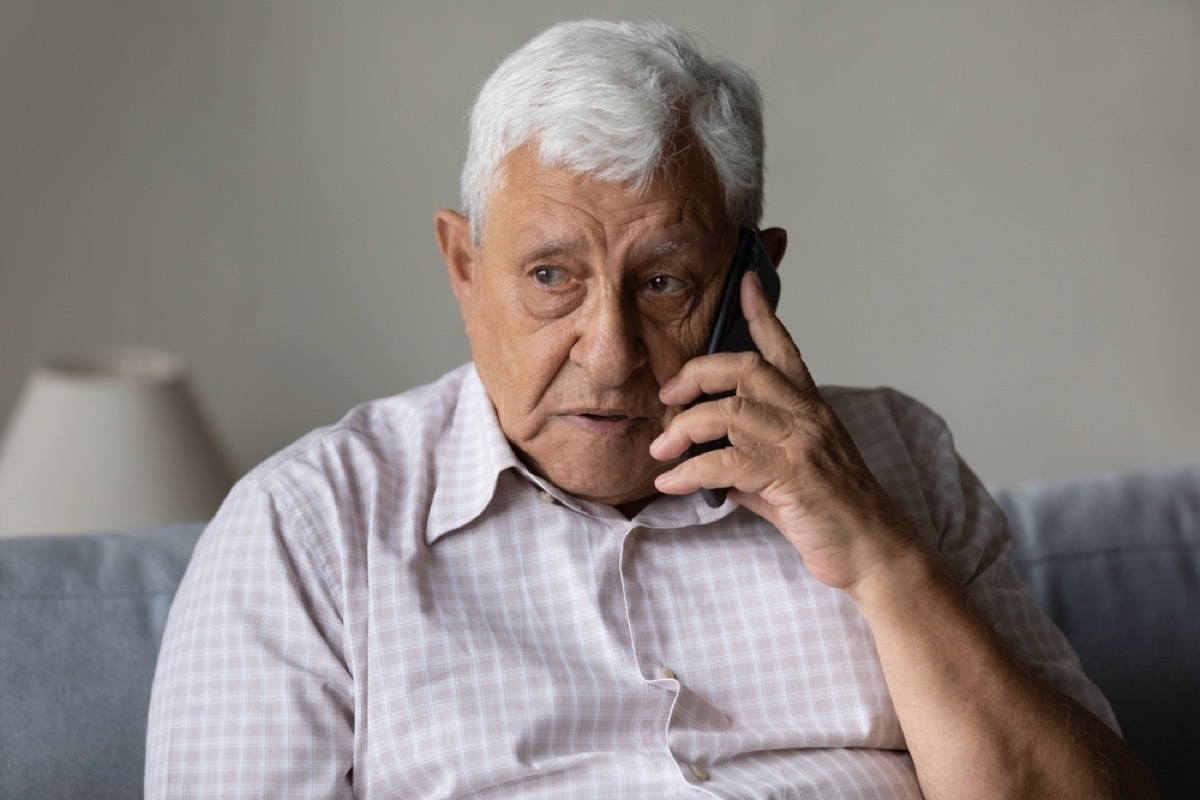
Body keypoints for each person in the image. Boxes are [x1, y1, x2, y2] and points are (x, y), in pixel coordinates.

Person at [145, 19, 1156, 799]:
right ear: (463, 266)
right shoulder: (310, 530)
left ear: (756, 277)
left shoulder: (901, 462)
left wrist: (887, 563)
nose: (610, 352)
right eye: (551, 275)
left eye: (664, 281)